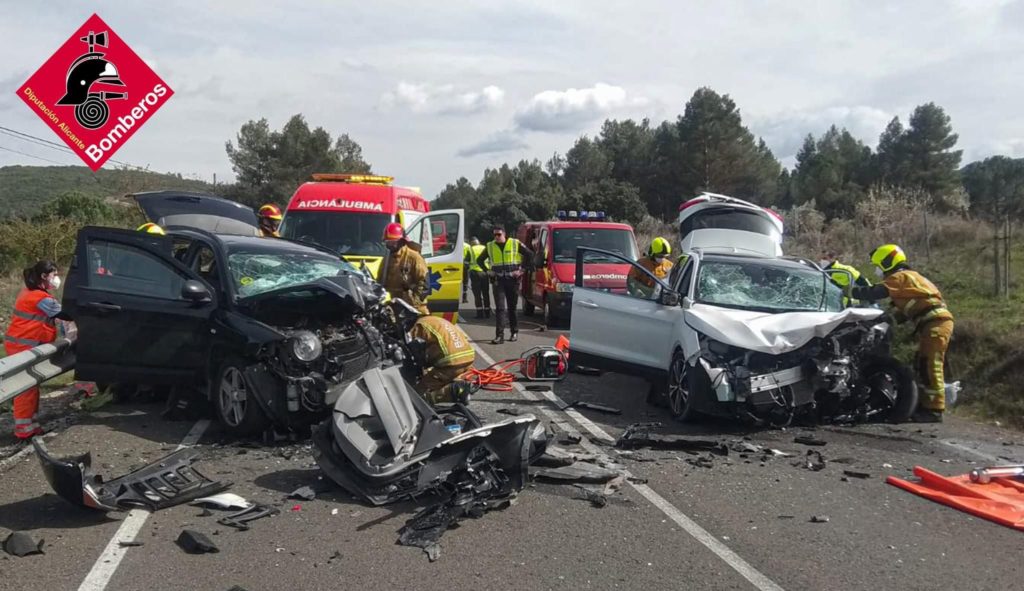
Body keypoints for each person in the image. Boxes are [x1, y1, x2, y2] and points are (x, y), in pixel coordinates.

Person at [849, 244, 954, 423]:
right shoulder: (911, 278)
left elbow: (875, 292)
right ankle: (924, 405)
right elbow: (901, 311)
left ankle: (934, 410)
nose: (877, 270)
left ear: (887, 262)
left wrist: (849, 290)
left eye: (878, 265)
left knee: (930, 364)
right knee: (921, 363)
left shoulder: (900, 277)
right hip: (935, 323)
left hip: (934, 324)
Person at [4, 261, 73, 439]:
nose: (56, 278)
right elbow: (65, 314)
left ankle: (31, 424)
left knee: (31, 386)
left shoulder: (32, 293)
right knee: (25, 387)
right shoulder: (41, 299)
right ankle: (23, 429)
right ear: (44, 276)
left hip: (23, 343)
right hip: (24, 344)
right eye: (54, 274)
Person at [478, 226, 533, 344]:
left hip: (512, 280)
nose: (496, 237)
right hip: (498, 280)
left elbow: (530, 255)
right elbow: (479, 260)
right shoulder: (490, 246)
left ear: (504, 234)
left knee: (512, 308)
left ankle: (514, 332)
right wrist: (488, 271)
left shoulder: (514, 243)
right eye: (495, 235)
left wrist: (522, 270)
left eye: (499, 234)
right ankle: (499, 336)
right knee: (500, 308)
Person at [408, 314, 475, 405]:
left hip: (452, 362)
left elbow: (414, 350)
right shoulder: (436, 320)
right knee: (442, 378)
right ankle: (459, 387)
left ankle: (454, 391)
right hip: (468, 358)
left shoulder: (419, 326)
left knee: (419, 391)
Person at [382, 222, 430, 315]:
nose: (390, 245)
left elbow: (424, 284)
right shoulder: (387, 258)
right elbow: (381, 281)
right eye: (388, 242)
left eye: (393, 242)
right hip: (395, 306)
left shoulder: (414, 257)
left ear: (402, 241)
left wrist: (414, 303)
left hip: (414, 308)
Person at [466, 237, 491, 319]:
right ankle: (487, 313)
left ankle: (480, 313)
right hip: (485, 272)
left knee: (477, 294)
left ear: (471, 243)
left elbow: (466, 262)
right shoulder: (485, 248)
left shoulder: (470, 249)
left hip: (475, 273)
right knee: (486, 293)